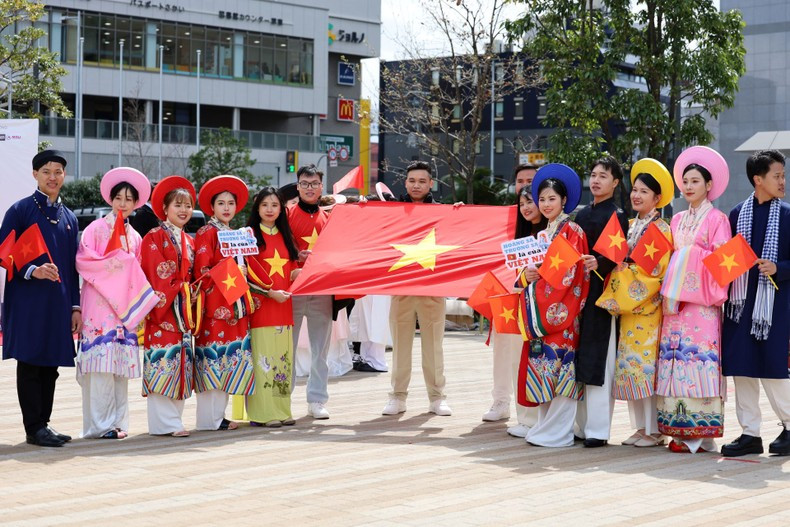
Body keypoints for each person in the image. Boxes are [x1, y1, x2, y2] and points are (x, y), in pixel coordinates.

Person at [0, 150, 81, 447]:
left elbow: (73, 268)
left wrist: (75, 306)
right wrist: (33, 270)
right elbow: (3, 251)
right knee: (31, 362)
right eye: (46, 171)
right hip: (28, 302)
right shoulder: (20, 210)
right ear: (35, 174)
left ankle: (43, 424)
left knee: (51, 365)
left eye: (58, 171)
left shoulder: (69, 217)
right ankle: (33, 427)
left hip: (58, 304)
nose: (53, 177)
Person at [657, 146, 731, 454]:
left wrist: (687, 258)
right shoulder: (676, 221)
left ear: (709, 185)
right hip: (675, 306)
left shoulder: (718, 219)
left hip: (701, 306)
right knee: (676, 361)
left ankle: (701, 433)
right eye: (685, 181)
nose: (688, 186)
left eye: (695, 181)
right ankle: (678, 431)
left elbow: (722, 263)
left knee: (698, 361)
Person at [596, 159, 675, 447]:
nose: (637, 196)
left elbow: (654, 272)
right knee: (629, 367)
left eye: (645, 192)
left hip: (646, 307)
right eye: (636, 190)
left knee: (645, 366)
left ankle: (655, 429)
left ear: (657, 198)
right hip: (627, 306)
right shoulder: (629, 225)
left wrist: (620, 272)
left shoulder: (662, 229)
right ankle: (640, 427)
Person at [75, 167, 158, 439]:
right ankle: (99, 425)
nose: (123, 203)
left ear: (136, 204)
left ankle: (119, 422)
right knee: (100, 367)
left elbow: (140, 272)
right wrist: (120, 265)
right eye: (118, 198)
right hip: (99, 304)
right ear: (111, 199)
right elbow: (84, 261)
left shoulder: (135, 237)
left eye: (129, 199)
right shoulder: (95, 229)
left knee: (118, 368)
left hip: (124, 309)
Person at [721, 149, 790, 457]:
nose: (782, 181)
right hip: (740, 304)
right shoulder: (736, 214)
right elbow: (728, 260)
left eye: (783, 175)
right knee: (743, 368)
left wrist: (780, 268)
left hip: (774, 306)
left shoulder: (788, 216)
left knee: (774, 369)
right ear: (757, 179)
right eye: (777, 175)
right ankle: (750, 433)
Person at [516, 164, 589, 447]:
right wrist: (528, 276)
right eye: (542, 199)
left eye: (552, 199)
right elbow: (529, 270)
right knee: (543, 369)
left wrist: (543, 286)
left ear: (563, 201)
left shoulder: (572, 230)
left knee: (560, 369)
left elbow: (573, 275)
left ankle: (559, 431)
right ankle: (545, 427)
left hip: (562, 310)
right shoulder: (543, 234)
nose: (546, 204)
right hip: (542, 308)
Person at [382, 161, 453, 416]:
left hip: (432, 289)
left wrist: (461, 214)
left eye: (422, 181)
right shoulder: (393, 210)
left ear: (430, 184)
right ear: (405, 182)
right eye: (412, 180)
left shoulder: (443, 211)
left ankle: (437, 397)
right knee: (401, 346)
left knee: (434, 347)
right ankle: (397, 397)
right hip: (401, 288)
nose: (416, 185)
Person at [573, 156, 630, 448]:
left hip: (603, 298)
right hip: (579, 296)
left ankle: (598, 429)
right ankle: (580, 426)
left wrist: (601, 262)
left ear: (616, 182)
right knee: (581, 359)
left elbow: (619, 257)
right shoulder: (581, 215)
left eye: (603, 176)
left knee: (601, 361)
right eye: (593, 175)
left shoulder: (617, 215)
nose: (596, 180)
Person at [193, 175, 254, 431]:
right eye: (221, 203)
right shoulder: (207, 232)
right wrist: (232, 269)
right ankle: (210, 419)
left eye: (231, 203)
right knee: (213, 359)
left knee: (228, 360)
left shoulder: (236, 234)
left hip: (235, 304)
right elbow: (202, 271)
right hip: (217, 306)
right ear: (212, 207)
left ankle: (219, 416)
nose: (227, 207)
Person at [140, 176, 198, 437]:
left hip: (183, 312)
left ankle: (173, 421)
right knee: (164, 361)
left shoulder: (189, 240)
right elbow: (157, 275)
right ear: (164, 208)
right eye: (178, 205)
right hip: (164, 312)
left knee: (181, 362)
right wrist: (184, 289)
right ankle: (167, 424)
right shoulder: (154, 237)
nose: (184, 210)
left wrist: (193, 290)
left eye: (187, 205)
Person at [484, 165, 540, 425]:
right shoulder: (507, 216)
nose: (524, 185)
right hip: (506, 298)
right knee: (503, 350)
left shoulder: (553, 223)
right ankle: (501, 401)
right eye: (520, 181)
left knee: (527, 356)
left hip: (538, 305)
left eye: (531, 181)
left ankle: (528, 409)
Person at [492, 185, 546, 440]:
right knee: (518, 362)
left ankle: (541, 419)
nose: (526, 207)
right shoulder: (519, 239)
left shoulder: (551, 233)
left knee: (540, 363)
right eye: (522, 203)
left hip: (546, 310)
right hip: (522, 308)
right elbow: (516, 277)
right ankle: (524, 418)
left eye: (531, 202)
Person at [245, 187, 300, 427]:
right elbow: (243, 275)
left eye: (275, 205)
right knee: (262, 360)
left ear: (281, 209)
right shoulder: (248, 237)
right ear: (257, 208)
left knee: (282, 361)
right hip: (261, 308)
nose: (270, 209)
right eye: (265, 205)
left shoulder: (287, 236)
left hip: (284, 308)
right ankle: (262, 413)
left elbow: (293, 271)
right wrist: (269, 293)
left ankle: (281, 409)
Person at [287, 165, 333, 419]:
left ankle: (317, 399)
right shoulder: (285, 214)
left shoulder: (330, 218)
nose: (309, 188)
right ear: (297, 186)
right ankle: (283, 397)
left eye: (314, 183)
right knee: (287, 347)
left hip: (322, 289)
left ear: (321, 187)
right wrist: (296, 258)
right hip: (293, 289)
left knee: (321, 349)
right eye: (305, 183)